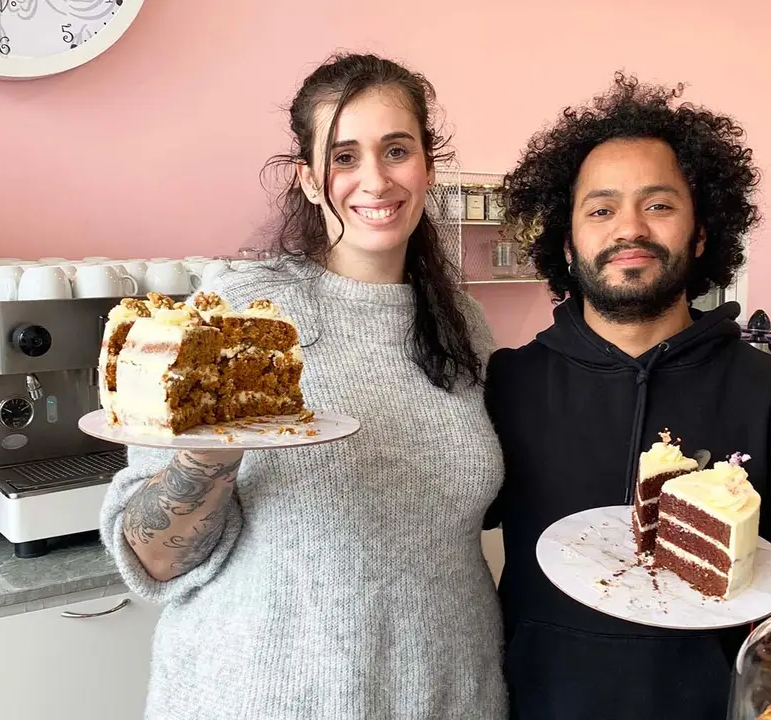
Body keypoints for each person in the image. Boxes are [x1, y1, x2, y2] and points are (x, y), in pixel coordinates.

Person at [99, 52, 507, 720]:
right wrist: (211, 454)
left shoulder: (465, 327)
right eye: (343, 157)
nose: (374, 179)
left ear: (428, 167)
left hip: (446, 695)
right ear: (310, 181)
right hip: (264, 698)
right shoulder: (240, 311)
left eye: (396, 150)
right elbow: (151, 560)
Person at [483, 74, 771, 719]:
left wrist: (763, 580)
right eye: (600, 209)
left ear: (703, 233)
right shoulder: (508, 384)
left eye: (658, 205)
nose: (629, 228)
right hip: (535, 700)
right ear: (568, 242)